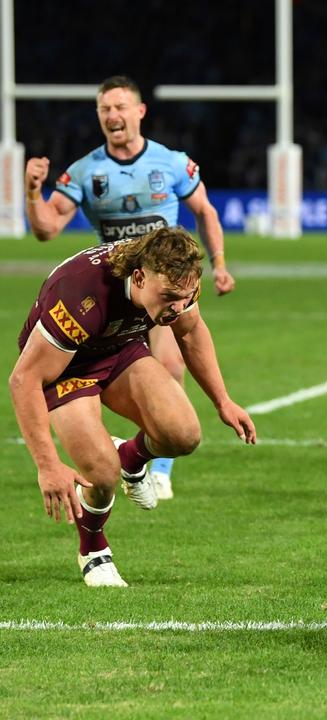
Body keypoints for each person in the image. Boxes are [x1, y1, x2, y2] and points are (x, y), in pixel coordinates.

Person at [24, 75, 238, 499]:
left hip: (164, 288)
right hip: (122, 291)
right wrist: (33, 193)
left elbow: (206, 212)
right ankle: (130, 458)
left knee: (173, 363)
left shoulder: (172, 163)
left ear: (140, 112)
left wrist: (220, 265)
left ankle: (158, 467)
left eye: (120, 107)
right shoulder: (85, 172)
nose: (112, 115)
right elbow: (47, 229)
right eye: (105, 109)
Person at [9, 227, 257, 587]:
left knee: (183, 435)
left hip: (120, 348)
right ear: (138, 277)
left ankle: (131, 457)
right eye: (170, 297)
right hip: (67, 366)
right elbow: (23, 380)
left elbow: (190, 332)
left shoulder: (179, 281)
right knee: (102, 474)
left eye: (184, 297)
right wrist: (47, 466)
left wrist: (223, 400)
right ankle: (93, 550)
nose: (177, 307)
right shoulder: (81, 295)